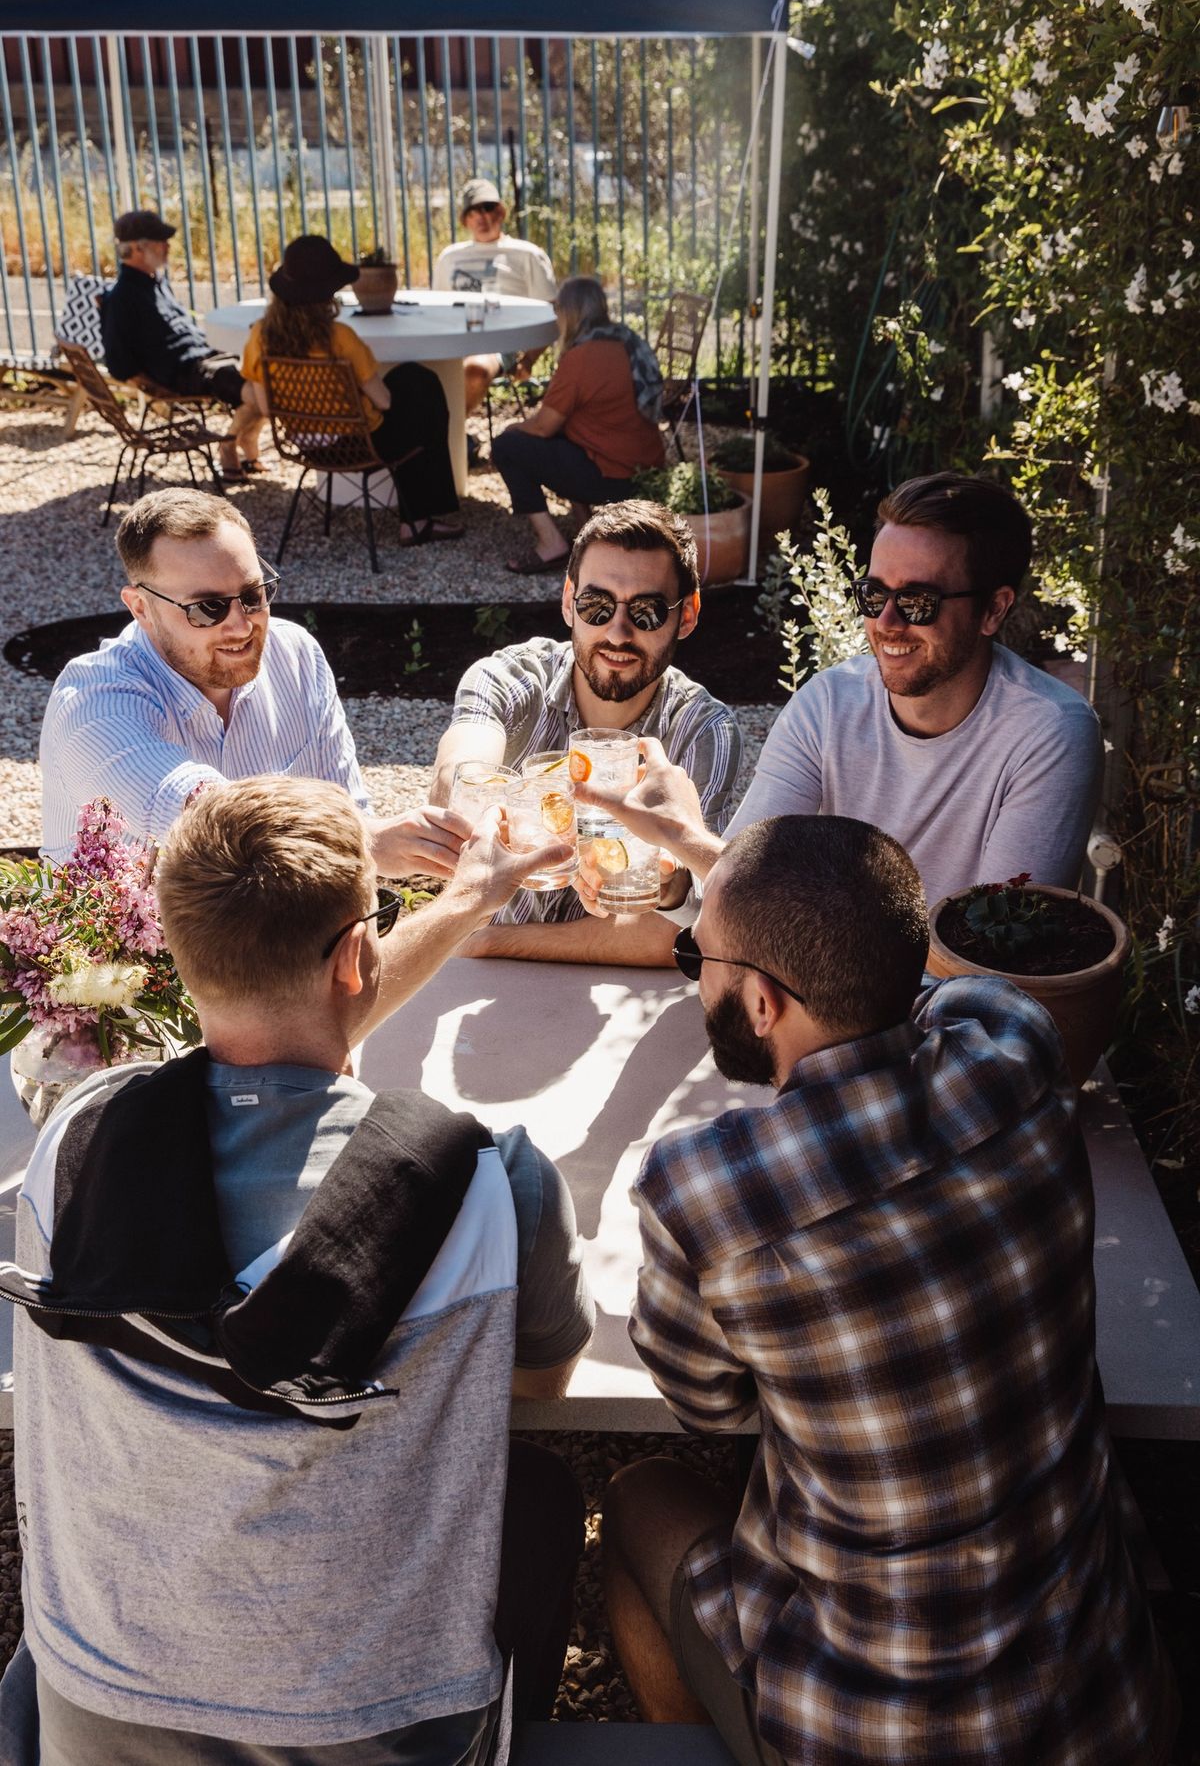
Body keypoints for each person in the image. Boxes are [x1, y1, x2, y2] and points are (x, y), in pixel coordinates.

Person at [0, 772, 589, 1763]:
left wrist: (446, 907)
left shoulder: (76, 1145)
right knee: (538, 1493)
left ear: (178, 959)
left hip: (100, 1716)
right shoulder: (493, 1179)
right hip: (388, 1733)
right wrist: (458, 904)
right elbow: (539, 1387)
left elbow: (254, 1037)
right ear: (360, 953)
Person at [601, 813, 1176, 1766]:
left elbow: (706, 1407)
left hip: (874, 1734)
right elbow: (942, 991)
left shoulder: (705, 1192)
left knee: (638, 1497)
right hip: (1103, 1704)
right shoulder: (1016, 1041)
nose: (693, 969)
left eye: (697, 953)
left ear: (760, 1004)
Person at [39, 487, 471, 880]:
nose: (241, 625)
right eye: (208, 608)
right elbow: (200, 811)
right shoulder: (93, 700)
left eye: (252, 595)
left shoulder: (293, 655)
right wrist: (369, 842)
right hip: (117, 960)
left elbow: (346, 810)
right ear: (141, 608)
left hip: (275, 941)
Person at [724, 471, 1104, 901]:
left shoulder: (1049, 732)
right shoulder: (827, 704)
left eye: (918, 601)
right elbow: (740, 884)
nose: (886, 623)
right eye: (873, 594)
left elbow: (996, 945)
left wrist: (684, 836)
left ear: (993, 611)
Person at [430, 501, 742, 965]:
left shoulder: (701, 731)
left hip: (606, 993)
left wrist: (489, 941)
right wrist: (471, 789)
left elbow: (678, 933)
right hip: (483, 985)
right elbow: (457, 777)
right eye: (596, 606)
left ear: (688, 614)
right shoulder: (510, 678)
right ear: (567, 601)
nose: (617, 633)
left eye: (648, 611)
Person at [242, 234, 462, 544]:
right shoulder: (341, 338)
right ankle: (417, 520)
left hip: (305, 442)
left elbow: (265, 408)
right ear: (328, 293)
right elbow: (383, 402)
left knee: (410, 381)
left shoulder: (260, 336)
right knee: (420, 385)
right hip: (359, 445)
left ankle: (418, 517)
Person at [491, 277, 666, 575]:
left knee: (507, 446)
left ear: (569, 313)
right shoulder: (625, 339)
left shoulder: (583, 356)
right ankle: (585, 528)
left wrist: (514, 429)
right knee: (569, 432)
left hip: (613, 477)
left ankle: (551, 544)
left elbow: (545, 426)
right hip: (645, 466)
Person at [100, 209, 264, 480]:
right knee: (257, 388)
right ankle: (229, 445)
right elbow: (119, 363)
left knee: (264, 371)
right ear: (138, 248)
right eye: (160, 241)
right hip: (182, 372)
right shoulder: (122, 297)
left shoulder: (154, 283)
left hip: (204, 357)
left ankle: (241, 440)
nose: (168, 246)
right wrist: (148, 384)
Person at [432, 177, 557, 417]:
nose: (482, 217)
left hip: (502, 342)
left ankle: (449, 437)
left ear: (500, 211)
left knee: (476, 368)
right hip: (456, 339)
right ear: (465, 219)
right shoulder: (449, 257)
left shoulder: (527, 254)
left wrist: (529, 358)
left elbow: (551, 313)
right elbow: (439, 309)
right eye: (473, 211)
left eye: (488, 207)